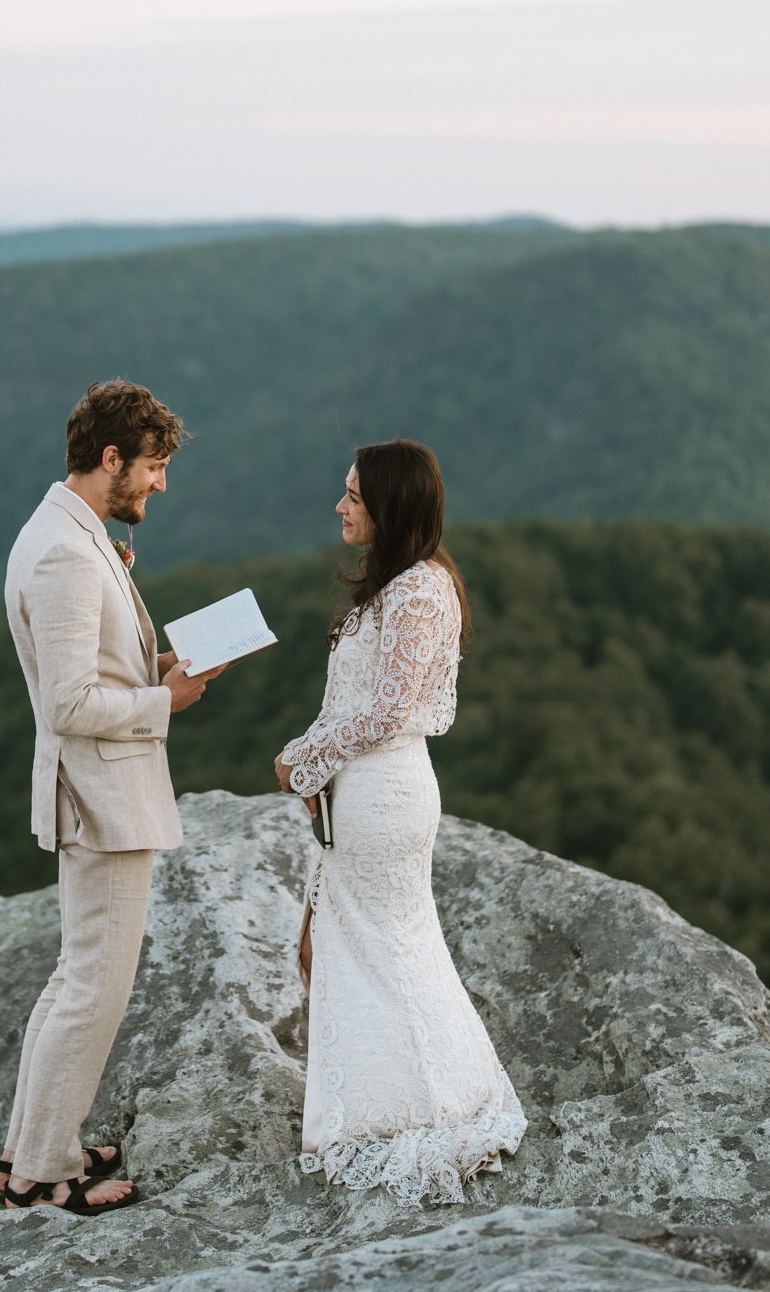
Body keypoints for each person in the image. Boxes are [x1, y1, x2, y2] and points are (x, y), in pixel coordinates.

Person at [274, 439, 525, 1204]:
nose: (342, 506)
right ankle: (386, 1097)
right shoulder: (395, 587)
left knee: (387, 942)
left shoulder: (420, 590)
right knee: (341, 941)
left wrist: (302, 761)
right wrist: (313, 761)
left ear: (391, 504)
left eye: (354, 494)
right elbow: (354, 703)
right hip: (361, 787)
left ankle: (426, 1104)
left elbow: (386, 710)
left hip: (385, 792)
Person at [0, 380, 223, 1215]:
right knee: (97, 987)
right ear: (111, 459)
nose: (161, 484)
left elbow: (91, 680)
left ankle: (31, 1146)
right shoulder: (62, 551)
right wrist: (168, 702)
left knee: (75, 978)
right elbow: (66, 704)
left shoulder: (71, 531)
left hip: (98, 791)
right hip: (100, 798)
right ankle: (44, 1175)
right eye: (154, 467)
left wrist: (156, 673)